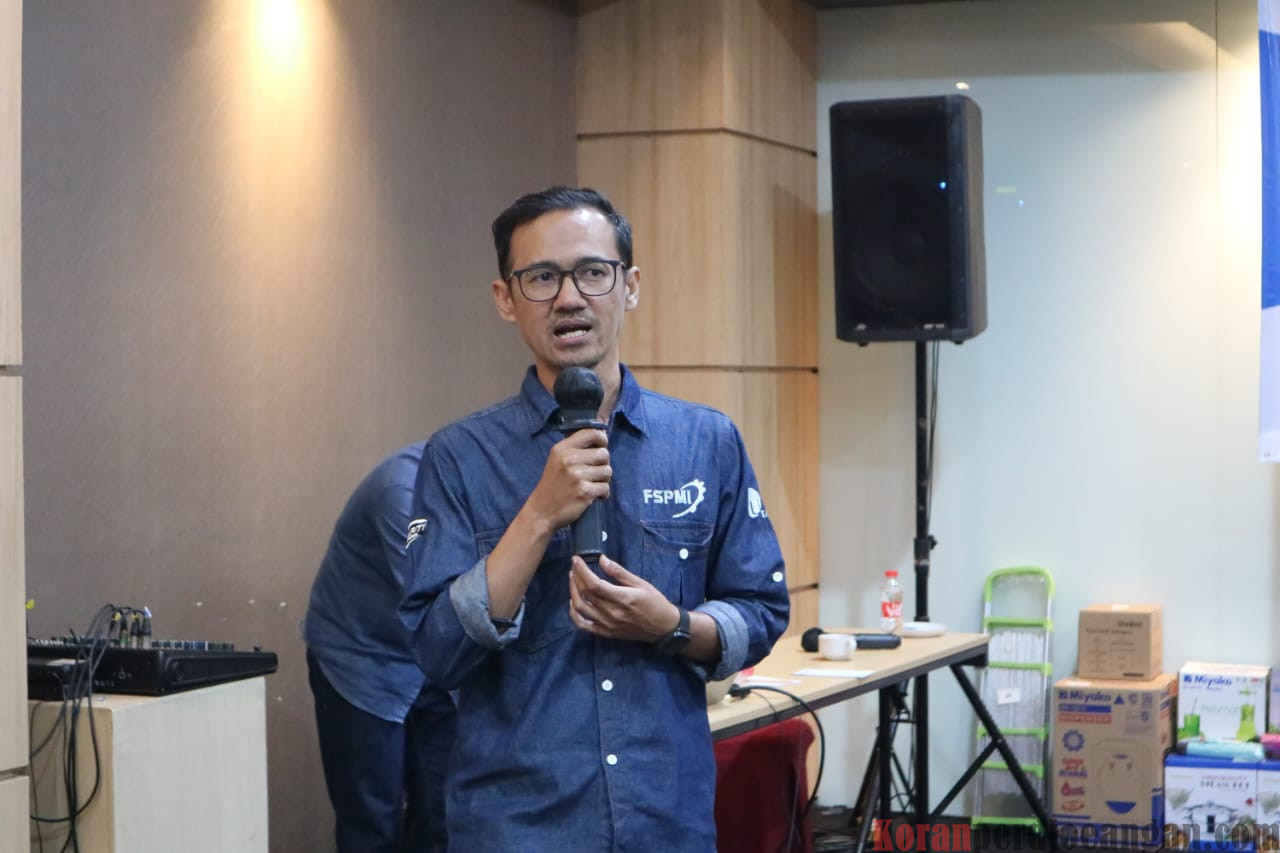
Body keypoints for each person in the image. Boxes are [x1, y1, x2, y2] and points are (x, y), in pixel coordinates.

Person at [399, 186, 790, 851]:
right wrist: (539, 514)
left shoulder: (705, 441)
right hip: (518, 827)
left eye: (592, 272)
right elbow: (437, 651)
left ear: (629, 286)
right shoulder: (459, 456)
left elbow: (761, 607)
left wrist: (672, 626)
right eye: (541, 277)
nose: (569, 298)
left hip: (665, 820)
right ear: (505, 298)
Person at [305, 441, 456, 853]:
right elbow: (431, 599)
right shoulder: (402, 489)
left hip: (433, 663)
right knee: (372, 824)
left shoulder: (485, 485)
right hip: (361, 661)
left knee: (442, 815)